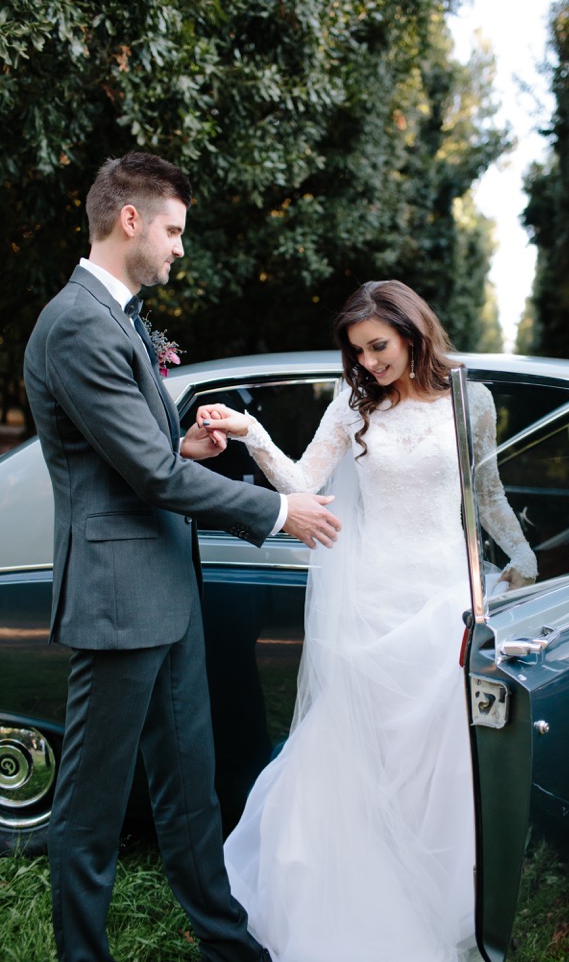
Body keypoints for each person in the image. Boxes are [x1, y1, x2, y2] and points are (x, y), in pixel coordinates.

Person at [22, 151, 341, 962]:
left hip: (165, 592)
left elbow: (142, 458)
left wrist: (185, 446)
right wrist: (278, 509)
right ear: (129, 220)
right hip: (118, 601)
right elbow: (147, 476)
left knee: (190, 790)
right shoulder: (75, 323)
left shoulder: (114, 317)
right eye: (172, 229)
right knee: (90, 813)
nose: (179, 246)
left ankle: (227, 944)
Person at [200, 280, 538, 962]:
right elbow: (303, 484)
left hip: (445, 605)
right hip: (372, 604)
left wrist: (526, 558)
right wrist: (253, 434)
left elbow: (487, 492)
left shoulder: (470, 400)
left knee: (437, 766)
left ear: (412, 332)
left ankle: (441, 906)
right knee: (364, 760)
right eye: (358, 352)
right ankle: (351, 907)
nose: (370, 363)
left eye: (378, 346)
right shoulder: (352, 409)